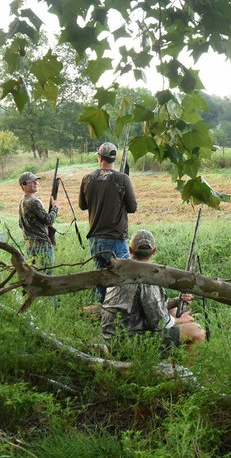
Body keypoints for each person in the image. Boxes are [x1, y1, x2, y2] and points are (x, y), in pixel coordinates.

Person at [101, 230, 206, 353]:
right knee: (196, 332)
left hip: (111, 339)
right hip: (128, 343)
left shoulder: (119, 270)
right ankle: (183, 371)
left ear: (130, 250)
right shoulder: (147, 276)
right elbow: (159, 323)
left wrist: (178, 301)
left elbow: (150, 305)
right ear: (154, 251)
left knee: (174, 311)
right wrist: (180, 321)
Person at [79, 142, 137, 302]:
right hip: (115, 239)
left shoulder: (87, 178)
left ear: (99, 157)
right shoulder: (122, 179)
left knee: (102, 280)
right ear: (114, 158)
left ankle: (102, 313)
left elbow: (82, 206)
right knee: (125, 279)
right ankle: (123, 313)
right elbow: (132, 207)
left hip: (95, 239)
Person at [18, 171, 60, 270]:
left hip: (29, 245)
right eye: (31, 182)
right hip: (41, 246)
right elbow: (49, 220)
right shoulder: (33, 201)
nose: (36, 183)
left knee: (35, 276)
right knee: (46, 276)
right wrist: (55, 208)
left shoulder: (22, 202)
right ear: (23, 185)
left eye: (36, 181)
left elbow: (21, 224)